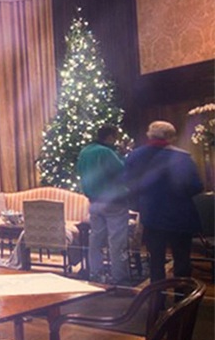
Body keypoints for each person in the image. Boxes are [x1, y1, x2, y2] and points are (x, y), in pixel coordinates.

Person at [124, 120, 203, 281]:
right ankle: (182, 294)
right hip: (181, 215)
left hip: (151, 214)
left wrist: (140, 203)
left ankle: (156, 295)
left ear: (149, 135)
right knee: (182, 261)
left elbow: (128, 183)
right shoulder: (182, 157)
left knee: (156, 262)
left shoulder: (135, 156)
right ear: (171, 137)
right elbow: (196, 186)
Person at [76, 124, 130, 284]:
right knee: (116, 240)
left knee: (96, 239)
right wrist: (123, 156)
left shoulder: (85, 151)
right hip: (113, 202)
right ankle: (119, 276)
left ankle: (95, 273)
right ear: (110, 136)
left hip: (94, 201)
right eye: (115, 137)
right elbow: (122, 171)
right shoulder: (106, 152)